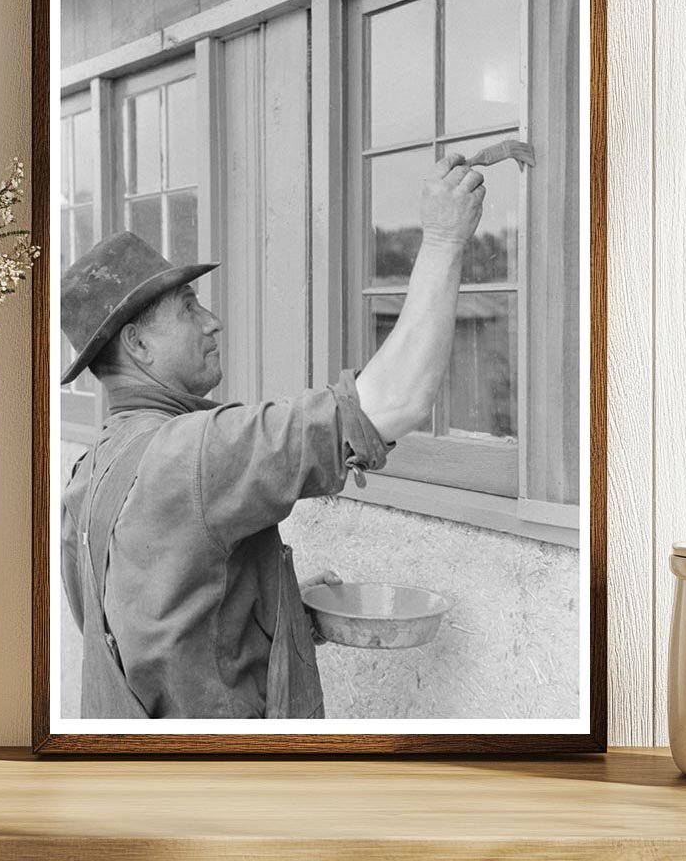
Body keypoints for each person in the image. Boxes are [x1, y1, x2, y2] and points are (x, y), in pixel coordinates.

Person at [60, 152, 486, 718]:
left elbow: (143, 627)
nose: (211, 320)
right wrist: (443, 237)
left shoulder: (93, 470)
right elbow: (396, 399)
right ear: (137, 345)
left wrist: (265, 611)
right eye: (188, 308)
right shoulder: (195, 454)